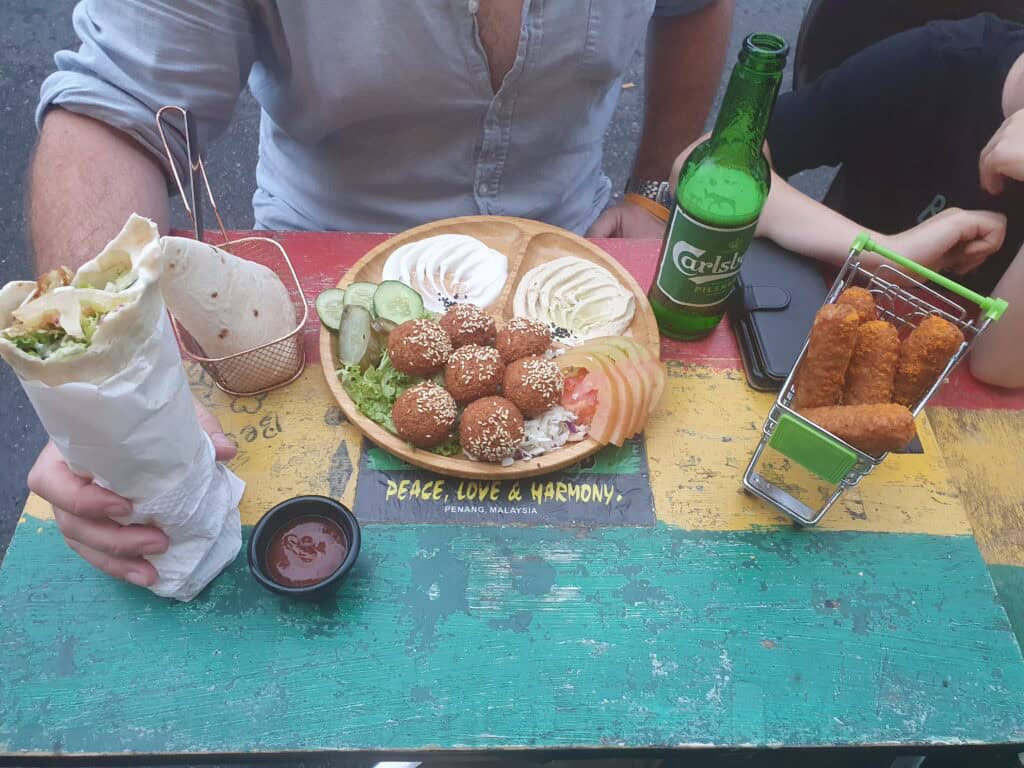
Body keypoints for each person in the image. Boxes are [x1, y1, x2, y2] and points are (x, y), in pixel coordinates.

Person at [25, 0, 1007, 588]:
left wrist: (649, 184)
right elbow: (113, 102)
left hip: (579, 259)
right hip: (325, 290)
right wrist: (111, 383)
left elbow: (692, 8)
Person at [767, 13, 1024, 388]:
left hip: (962, 390)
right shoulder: (945, 61)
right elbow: (703, 164)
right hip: (816, 321)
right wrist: (886, 253)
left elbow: (999, 365)